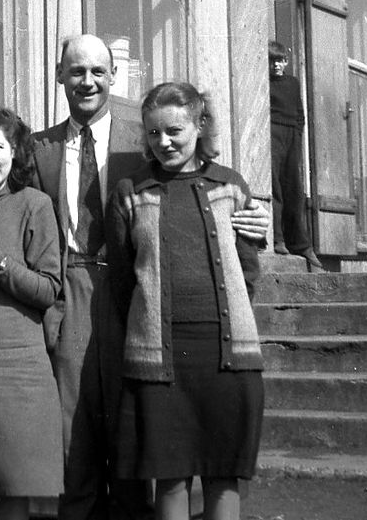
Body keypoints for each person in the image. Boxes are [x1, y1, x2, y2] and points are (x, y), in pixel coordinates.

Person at [30, 34, 271, 520]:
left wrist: (258, 223)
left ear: (113, 76)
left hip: (139, 290)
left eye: (98, 71)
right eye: (76, 71)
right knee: (74, 424)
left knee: (136, 426)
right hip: (74, 285)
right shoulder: (40, 148)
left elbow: (205, 208)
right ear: (59, 76)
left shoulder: (140, 137)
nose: (87, 82)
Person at [106, 82, 265, 520]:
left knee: (222, 472)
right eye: (154, 133)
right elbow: (122, 281)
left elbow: (248, 271)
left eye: (174, 131)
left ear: (199, 125)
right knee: (170, 475)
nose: (164, 142)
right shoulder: (130, 191)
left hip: (226, 355)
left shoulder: (231, 186)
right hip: (158, 357)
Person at [0, 106, 65, 520]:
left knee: (15, 495)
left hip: (20, 369)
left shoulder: (34, 204)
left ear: (15, 151)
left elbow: (48, 289)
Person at [267, 41, 322, 269]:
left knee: (295, 189)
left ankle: (301, 244)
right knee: (276, 187)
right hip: (272, 133)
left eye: (280, 61)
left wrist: (297, 134)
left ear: (286, 62)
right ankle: (278, 239)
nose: (276, 65)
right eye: (272, 61)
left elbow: (300, 113)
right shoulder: (265, 83)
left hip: (292, 136)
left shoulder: (293, 83)